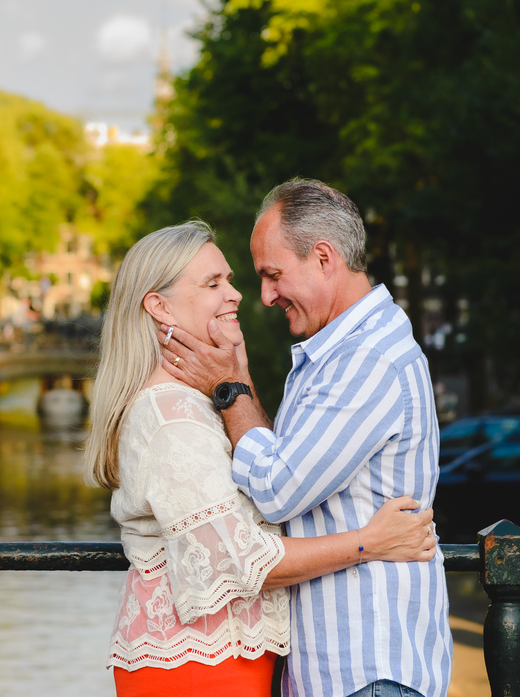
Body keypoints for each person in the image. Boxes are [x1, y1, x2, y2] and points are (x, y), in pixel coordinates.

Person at [84, 220, 437, 697]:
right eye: (213, 284)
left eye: (231, 279)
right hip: (196, 666)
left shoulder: (200, 401)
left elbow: (273, 476)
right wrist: (370, 541)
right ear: (158, 305)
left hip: (226, 660)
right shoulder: (171, 415)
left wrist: (235, 380)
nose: (241, 295)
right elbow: (243, 559)